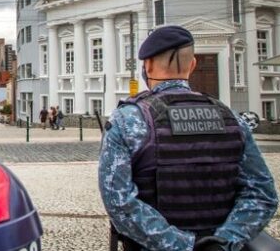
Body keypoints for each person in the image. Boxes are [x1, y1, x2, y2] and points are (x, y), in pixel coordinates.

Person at [98, 25, 277, 251]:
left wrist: (184, 245)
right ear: (193, 65)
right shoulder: (231, 118)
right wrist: (223, 242)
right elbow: (263, 194)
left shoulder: (127, 120)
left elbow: (118, 202)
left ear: (148, 65)